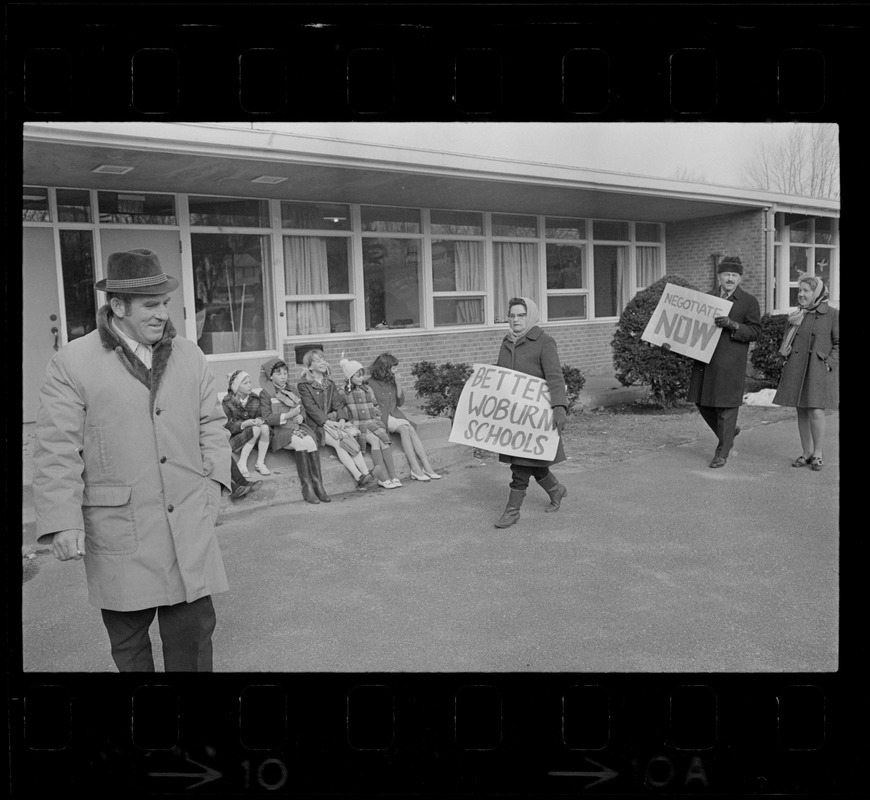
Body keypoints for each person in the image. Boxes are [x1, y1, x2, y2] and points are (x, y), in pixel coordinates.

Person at [32, 248, 230, 672]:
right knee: (131, 651)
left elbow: (213, 425)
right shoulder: (71, 363)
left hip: (188, 526)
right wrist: (63, 520)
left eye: (165, 303)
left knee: (194, 644)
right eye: (150, 305)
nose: (163, 314)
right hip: (121, 530)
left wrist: (214, 486)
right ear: (118, 306)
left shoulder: (190, 355)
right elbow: (56, 448)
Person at [493, 297, 568, 529]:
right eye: (512, 315)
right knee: (532, 461)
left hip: (535, 417)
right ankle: (556, 489)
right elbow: (502, 375)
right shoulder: (506, 342)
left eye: (521, 315)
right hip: (513, 417)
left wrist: (559, 407)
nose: (515, 320)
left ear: (531, 316)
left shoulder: (544, 342)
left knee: (520, 466)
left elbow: (555, 377)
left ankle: (512, 511)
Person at [687, 255, 762, 468]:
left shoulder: (749, 301)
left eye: (734, 275)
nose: (730, 279)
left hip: (731, 362)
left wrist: (733, 325)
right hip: (706, 360)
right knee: (701, 401)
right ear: (719, 276)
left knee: (726, 406)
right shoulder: (707, 298)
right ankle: (728, 432)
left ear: (740, 279)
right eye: (727, 274)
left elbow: (756, 331)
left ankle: (722, 452)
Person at [773, 274, 839, 471]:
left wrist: (829, 363)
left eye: (806, 291)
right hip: (797, 367)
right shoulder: (797, 315)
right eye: (799, 290)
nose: (801, 294)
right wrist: (785, 358)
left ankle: (818, 454)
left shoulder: (833, 314)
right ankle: (807, 452)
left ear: (817, 293)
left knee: (816, 410)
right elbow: (787, 341)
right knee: (801, 409)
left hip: (818, 368)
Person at [297, 349, 376, 491]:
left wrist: (341, 419)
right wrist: (327, 422)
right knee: (339, 442)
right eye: (317, 361)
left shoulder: (329, 383)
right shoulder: (304, 385)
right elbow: (311, 408)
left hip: (332, 422)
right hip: (315, 425)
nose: (322, 362)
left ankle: (366, 473)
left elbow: (337, 403)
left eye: (323, 359)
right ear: (310, 366)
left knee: (348, 438)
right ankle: (359, 477)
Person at [259, 357, 330, 504]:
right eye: (279, 373)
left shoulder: (292, 390)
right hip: (279, 430)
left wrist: (300, 417)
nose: (283, 376)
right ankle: (307, 488)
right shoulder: (266, 393)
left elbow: (302, 408)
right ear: (270, 376)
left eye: (285, 373)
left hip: (297, 427)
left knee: (311, 442)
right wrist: (288, 415)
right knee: (300, 443)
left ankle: (318, 485)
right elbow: (266, 417)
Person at [368, 352, 441, 482]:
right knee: (404, 428)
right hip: (382, 416)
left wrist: (398, 383)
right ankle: (416, 468)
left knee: (410, 429)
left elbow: (400, 402)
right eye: (394, 367)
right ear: (385, 368)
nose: (396, 370)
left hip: (394, 413)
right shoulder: (370, 383)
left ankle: (426, 467)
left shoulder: (392, 381)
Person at [337, 357, 402, 489]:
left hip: (371, 422)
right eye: (358, 376)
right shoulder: (342, 392)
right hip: (357, 425)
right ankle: (382, 478)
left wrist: (376, 416)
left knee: (384, 441)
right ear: (349, 377)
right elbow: (339, 410)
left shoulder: (367, 389)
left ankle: (394, 476)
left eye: (362, 375)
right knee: (374, 440)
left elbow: (375, 405)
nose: (361, 378)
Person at [222, 370, 271, 478]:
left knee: (264, 428)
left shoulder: (254, 398)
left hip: (254, 435)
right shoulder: (228, 401)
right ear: (237, 387)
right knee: (255, 429)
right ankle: (242, 463)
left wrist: (259, 419)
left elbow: (260, 415)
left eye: (250, 382)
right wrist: (244, 424)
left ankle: (260, 463)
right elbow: (228, 425)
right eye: (245, 383)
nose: (249, 385)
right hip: (236, 436)